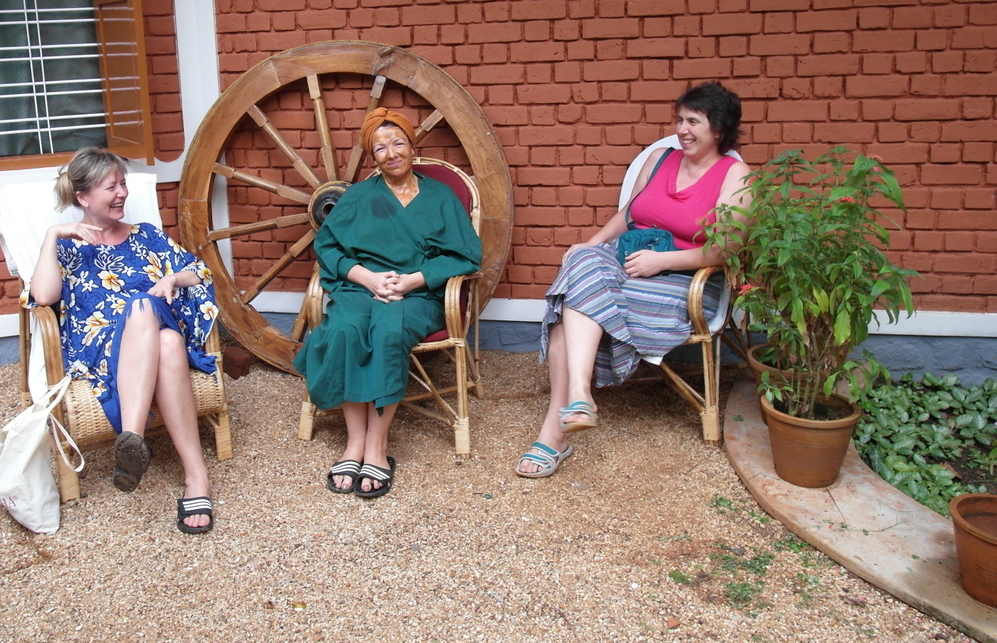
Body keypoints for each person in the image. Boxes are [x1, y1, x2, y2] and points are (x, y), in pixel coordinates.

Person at [514, 82, 752, 478]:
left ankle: (556, 429)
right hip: (625, 262)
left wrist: (662, 261)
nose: (682, 130)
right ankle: (579, 394)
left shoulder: (736, 175)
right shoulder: (659, 159)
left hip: (685, 278)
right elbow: (628, 215)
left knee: (570, 307)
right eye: (679, 120)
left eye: (694, 121)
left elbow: (724, 249)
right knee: (582, 262)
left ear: (720, 128)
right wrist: (589, 244)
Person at [30, 147, 220, 533]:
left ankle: (132, 438)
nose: (121, 194)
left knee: (143, 306)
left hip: (155, 318)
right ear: (83, 197)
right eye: (110, 187)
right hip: (102, 346)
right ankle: (195, 477)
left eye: (123, 184)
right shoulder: (66, 246)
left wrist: (171, 278)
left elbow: (200, 272)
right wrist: (52, 235)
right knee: (169, 344)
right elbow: (44, 296)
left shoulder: (146, 236)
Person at [295, 108, 482, 499]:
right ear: (372, 156)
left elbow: (466, 254)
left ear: (412, 146)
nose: (391, 153)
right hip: (361, 288)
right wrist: (367, 278)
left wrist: (414, 280)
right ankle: (354, 443)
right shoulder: (358, 197)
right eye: (380, 148)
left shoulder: (441, 197)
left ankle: (377, 446)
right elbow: (327, 247)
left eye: (398, 143)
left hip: (418, 293)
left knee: (388, 332)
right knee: (343, 329)